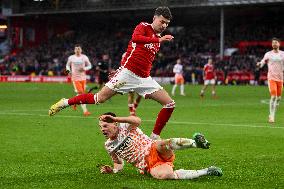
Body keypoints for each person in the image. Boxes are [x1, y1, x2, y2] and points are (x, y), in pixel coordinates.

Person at [49, 7, 175, 140]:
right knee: (99, 98)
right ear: (154, 18)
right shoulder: (143, 26)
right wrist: (121, 71)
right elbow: (136, 38)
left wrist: (118, 69)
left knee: (170, 103)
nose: (164, 25)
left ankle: (155, 137)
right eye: (162, 21)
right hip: (128, 74)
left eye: (167, 23)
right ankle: (65, 102)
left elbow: (136, 56)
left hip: (144, 78)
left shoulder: (158, 39)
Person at [99, 112, 223, 180]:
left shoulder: (125, 126)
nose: (102, 129)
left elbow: (137, 120)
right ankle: (207, 171)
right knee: (165, 175)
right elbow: (118, 163)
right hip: (149, 165)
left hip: (153, 148)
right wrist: (113, 170)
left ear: (115, 124)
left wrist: (117, 118)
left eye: (105, 126)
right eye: (100, 127)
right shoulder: (109, 145)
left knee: (161, 144)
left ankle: (197, 143)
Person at [256, 37, 284, 123]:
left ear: (279, 44)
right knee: (273, 96)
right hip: (271, 78)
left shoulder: (283, 54)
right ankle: (271, 116)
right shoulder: (268, 54)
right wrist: (259, 64)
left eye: (276, 42)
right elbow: (262, 62)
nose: (274, 44)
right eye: (273, 43)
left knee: (278, 98)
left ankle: (273, 112)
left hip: (280, 78)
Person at [66, 44, 92, 116]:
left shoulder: (84, 57)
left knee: (81, 94)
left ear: (81, 50)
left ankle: (74, 102)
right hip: (75, 78)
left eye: (79, 49)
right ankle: (85, 111)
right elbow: (67, 65)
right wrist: (68, 71)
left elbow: (90, 65)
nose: (77, 50)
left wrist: (84, 69)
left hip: (83, 78)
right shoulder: (71, 58)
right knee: (82, 94)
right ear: (74, 50)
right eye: (76, 49)